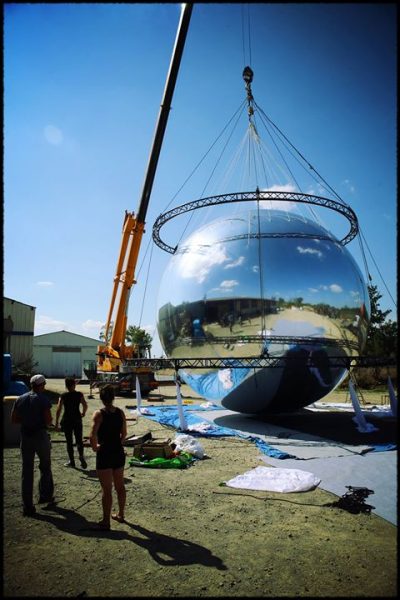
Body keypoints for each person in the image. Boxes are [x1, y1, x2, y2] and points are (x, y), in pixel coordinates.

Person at [11, 374, 55, 516]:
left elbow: (14, 419)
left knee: (27, 471)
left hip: (26, 436)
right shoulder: (43, 400)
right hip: (40, 436)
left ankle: (27, 506)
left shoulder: (20, 399)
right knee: (45, 466)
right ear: (41, 385)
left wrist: (27, 420)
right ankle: (45, 496)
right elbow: (48, 420)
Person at [89, 384, 127, 530]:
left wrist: (95, 448)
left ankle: (106, 521)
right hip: (117, 452)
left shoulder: (98, 414)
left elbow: (92, 435)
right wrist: (118, 443)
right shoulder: (120, 413)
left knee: (107, 489)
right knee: (120, 485)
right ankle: (121, 514)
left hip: (105, 453)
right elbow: (124, 433)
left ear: (101, 398)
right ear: (113, 397)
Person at [55, 377, 88, 469]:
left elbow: (58, 409)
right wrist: (83, 413)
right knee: (79, 439)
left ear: (66, 386)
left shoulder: (63, 395)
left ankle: (72, 461)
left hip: (67, 420)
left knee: (69, 441)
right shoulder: (79, 395)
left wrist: (57, 422)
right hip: (77, 419)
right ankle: (81, 456)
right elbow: (85, 405)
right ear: (74, 385)